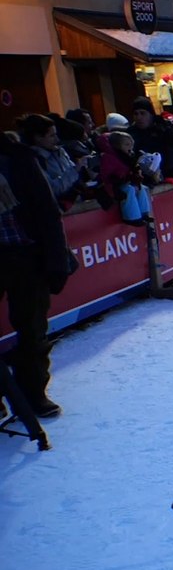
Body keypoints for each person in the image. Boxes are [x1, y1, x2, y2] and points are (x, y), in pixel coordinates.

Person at [0, 132, 74, 419]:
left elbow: (47, 211)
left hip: (25, 255)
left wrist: (56, 260)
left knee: (32, 330)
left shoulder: (16, 158)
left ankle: (33, 393)